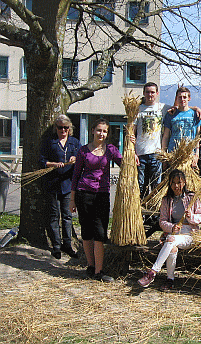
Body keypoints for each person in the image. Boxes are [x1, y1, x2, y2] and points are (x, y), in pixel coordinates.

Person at [70, 118, 122, 283]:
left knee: (100, 233)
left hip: (102, 195)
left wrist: (132, 154)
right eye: (99, 130)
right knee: (86, 232)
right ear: (92, 131)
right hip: (83, 193)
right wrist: (72, 200)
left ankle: (99, 271)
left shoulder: (111, 150)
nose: (101, 133)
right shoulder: (83, 151)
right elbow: (76, 175)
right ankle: (90, 267)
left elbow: (125, 163)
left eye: (105, 131)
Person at [138, 169, 201, 290]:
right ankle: (170, 280)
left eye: (179, 182)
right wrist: (171, 226)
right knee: (172, 246)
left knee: (170, 240)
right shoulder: (166, 200)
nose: (176, 186)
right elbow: (162, 221)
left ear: (184, 183)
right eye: (173, 183)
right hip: (174, 233)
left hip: (190, 234)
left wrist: (191, 217)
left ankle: (152, 272)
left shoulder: (192, 198)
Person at [39, 114, 81, 259]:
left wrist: (75, 159)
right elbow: (42, 161)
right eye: (60, 128)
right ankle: (56, 246)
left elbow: (81, 159)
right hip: (52, 183)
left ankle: (67, 245)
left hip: (68, 184)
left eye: (65, 128)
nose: (63, 130)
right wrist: (53, 164)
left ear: (70, 129)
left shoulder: (75, 143)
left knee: (67, 216)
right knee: (54, 216)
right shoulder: (49, 142)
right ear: (55, 128)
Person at [133, 82, 167, 198]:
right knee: (141, 186)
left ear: (157, 93)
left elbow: (180, 108)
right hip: (140, 154)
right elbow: (131, 132)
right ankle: (140, 213)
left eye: (152, 92)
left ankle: (154, 215)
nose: (150, 94)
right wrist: (133, 152)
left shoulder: (162, 108)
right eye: (147, 92)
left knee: (155, 186)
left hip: (155, 154)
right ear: (144, 93)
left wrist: (196, 108)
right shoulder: (137, 110)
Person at [161, 86, 201, 165]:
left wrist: (197, 153)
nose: (182, 99)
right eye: (180, 97)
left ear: (189, 98)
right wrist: (164, 154)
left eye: (184, 97)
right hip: (173, 153)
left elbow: (197, 136)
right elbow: (166, 136)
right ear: (176, 98)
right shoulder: (171, 114)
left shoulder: (195, 115)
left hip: (189, 154)